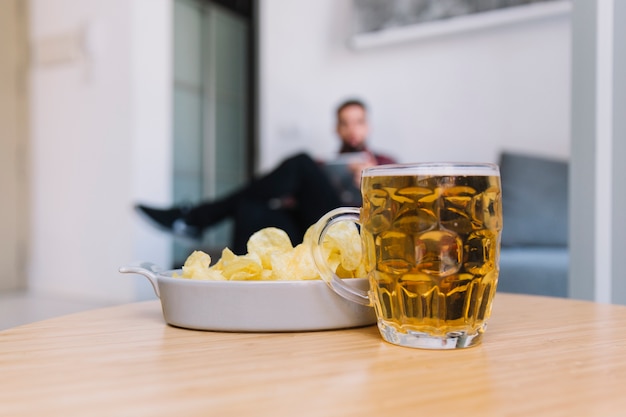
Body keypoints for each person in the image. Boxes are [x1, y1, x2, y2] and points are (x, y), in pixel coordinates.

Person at [136, 99, 396, 254]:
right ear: (337, 128)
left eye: (358, 121)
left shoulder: (385, 164)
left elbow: (393, 215)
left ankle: (195, 217)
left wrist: (370, 181)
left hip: (350, 231)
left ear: (368, 125)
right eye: (345, 122)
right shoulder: (322, 166)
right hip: (312, 225)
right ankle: (236, 282)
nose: (352, 129)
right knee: (249, 206)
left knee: (300, 162)